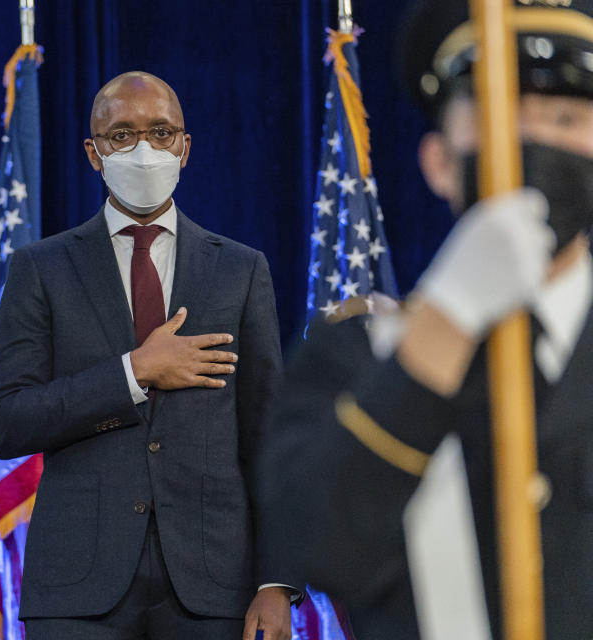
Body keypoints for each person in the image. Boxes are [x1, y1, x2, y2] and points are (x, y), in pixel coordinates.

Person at [258, 0, 593, 637]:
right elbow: (316, 543)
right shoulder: (356, 354)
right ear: (438, 162)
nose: (534, 142)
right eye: (498, 114)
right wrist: (449, 320)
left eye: (565, 116)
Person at [0, 71, 296, 640]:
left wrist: (275, 583)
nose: (144, 149)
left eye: (160, 132)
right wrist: (134, 372)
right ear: (94, 153)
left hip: (213, 588)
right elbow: (6, 421)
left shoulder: (241, 270)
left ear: (186, 146)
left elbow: (268, 436)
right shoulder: (41, 269)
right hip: (79, 588)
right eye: (122, 135)